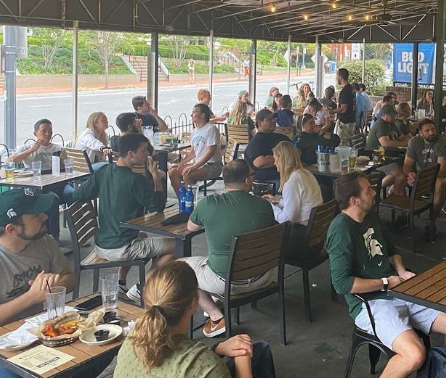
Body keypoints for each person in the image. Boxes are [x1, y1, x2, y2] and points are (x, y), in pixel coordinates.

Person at [326, 173, 446, 378]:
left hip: (396, 289)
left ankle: (443, 373)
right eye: (368, 190)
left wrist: (402, 271)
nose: (374, 192)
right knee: (415, 355)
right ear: (354, 201)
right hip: (369, 303)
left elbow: (391, 250)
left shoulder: (370, 216)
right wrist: (385, 282)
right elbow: (342, 284)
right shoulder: (340, 229)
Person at [0, 189, 76, 378]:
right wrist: (31, 297)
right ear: (11, 229)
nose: (45, 216)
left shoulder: (45, 242)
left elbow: (69, 279)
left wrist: (53, 286)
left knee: (100, 348)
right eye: (36, 214)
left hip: (34, 336)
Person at [113, 261, 275, 378]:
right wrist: (243, 363)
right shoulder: (207, 368)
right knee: (259, 351)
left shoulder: (134, 337)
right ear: (195, 302)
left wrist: (216, 350)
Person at [73, 133, 175, 301]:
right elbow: (157, 207)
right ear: (130, 154)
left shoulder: (104, 171)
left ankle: (121, 283)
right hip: (121, 248)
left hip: (102, 242)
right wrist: (156, 176)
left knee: (142, 235)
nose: (147, 154)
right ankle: (141, 288)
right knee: (176, 245)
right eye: (143, 150)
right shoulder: (135, 179)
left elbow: (79, 194)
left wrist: (108, 193)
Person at [182, 160, 277, 337]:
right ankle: (216, 301)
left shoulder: (209, 204)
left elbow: (191, 227)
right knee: (215, 261)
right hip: (263, 277)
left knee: (181, 268)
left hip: (226, 282)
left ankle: (216, 317)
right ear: (247, 180)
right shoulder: (264, 206)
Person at [10, 119, 68, 241]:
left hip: (56, 182)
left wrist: (61, 162)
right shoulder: (26, 147)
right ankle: (52, 235)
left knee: (74, 194)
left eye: (50, 131)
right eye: (44, 131)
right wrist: (32, 150)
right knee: (51, 199)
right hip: (35, 184)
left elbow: (65, 169)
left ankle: (77, 229)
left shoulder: (58, 148)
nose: (47, 134)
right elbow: (12, 160)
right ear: (35, 133)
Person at [394, 118, 446, 240]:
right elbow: (406, 166)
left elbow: (441, 171)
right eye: (427, 131)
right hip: (419, 175)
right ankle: (403, 214)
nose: (431, 132)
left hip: (435, 176)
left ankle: (431, 221)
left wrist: (421, 179)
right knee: (399, 178)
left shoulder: (442, 143)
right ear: (420, 133)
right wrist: (410, 175)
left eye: (433, 129)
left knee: (440, 183)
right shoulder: (414, 142)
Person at [265, 142, 323, 254]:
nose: (274, 163)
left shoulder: (292, 182)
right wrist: (278, 201)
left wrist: (271, 207)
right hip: (315, 233)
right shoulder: (305, 173)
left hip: (301, 237)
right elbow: (301, 203)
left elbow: (286, 219)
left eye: (275, 159)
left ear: (282, 158)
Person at [168, 104, 223, 197]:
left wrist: (194, 166)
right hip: (198, 164)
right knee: (173, 172)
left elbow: (210, 152)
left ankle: (191, 202)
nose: (191, 115)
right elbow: (193, 152)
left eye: (194, 112)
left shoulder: (211, 129)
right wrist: (181, 163)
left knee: (188, 174)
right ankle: (182, 199)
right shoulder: (195, 131)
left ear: (203, 115)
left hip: (212, 165)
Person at [366, 106, 410, 189]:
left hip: (389, 155)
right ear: (384, 115)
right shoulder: (381, 125)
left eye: (395, 115)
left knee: (405, 170)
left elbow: (402, 137)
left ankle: (392, 191)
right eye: (392, 115)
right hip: (377, 157)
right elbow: (385, 143)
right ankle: (376, 189)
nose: (395, 117)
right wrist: (403, 143)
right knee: (400, 175)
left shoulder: (392, 124)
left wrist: (404, 141)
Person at [244, 109, 290, 182]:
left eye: (274, 119)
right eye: (269, 119)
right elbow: (260, 163)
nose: (273, 121)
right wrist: (286, 156)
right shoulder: (256, 142)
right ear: (260, 123)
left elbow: (296, 153)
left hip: (287, 175)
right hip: (269, 180)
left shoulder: (282, 137)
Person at [332, 68, 356, 140]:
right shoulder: (351, 88)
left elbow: (343, 109)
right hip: (352, 120)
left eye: (337, 76)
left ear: (340, 77)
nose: (336, 78)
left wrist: (330, 111)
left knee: (340, 142)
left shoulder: (345, 91)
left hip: (344, 123)